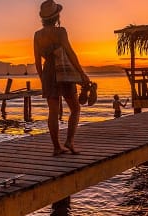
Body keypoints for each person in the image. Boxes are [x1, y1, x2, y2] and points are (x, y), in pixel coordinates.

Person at [34, 0, 90, 155]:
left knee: (53, 111)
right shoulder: (61, 32)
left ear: (43, 18)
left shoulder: (37, 35)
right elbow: (70, 53)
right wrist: (81, 73)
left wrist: (43, 79)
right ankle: (70, 142)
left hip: (48, 73)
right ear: (57, 15)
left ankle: (57, 147)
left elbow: (37, 62)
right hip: (64, 72)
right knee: (75, 108)